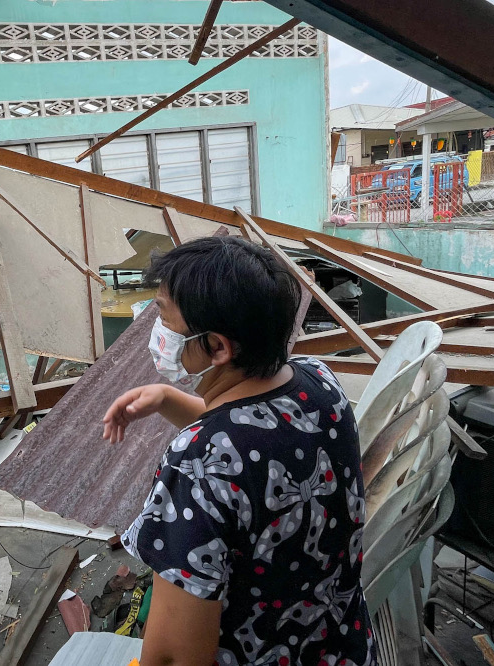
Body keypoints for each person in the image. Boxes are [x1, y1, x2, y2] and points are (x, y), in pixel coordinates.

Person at [103, 236, 375, 666]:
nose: (155, 329)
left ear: (217, 347)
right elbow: (255, 431)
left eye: (162, 315)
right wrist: (167, 398)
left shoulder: (195, 464)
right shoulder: (319, 383)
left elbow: (175, 658)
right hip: (342, 647)